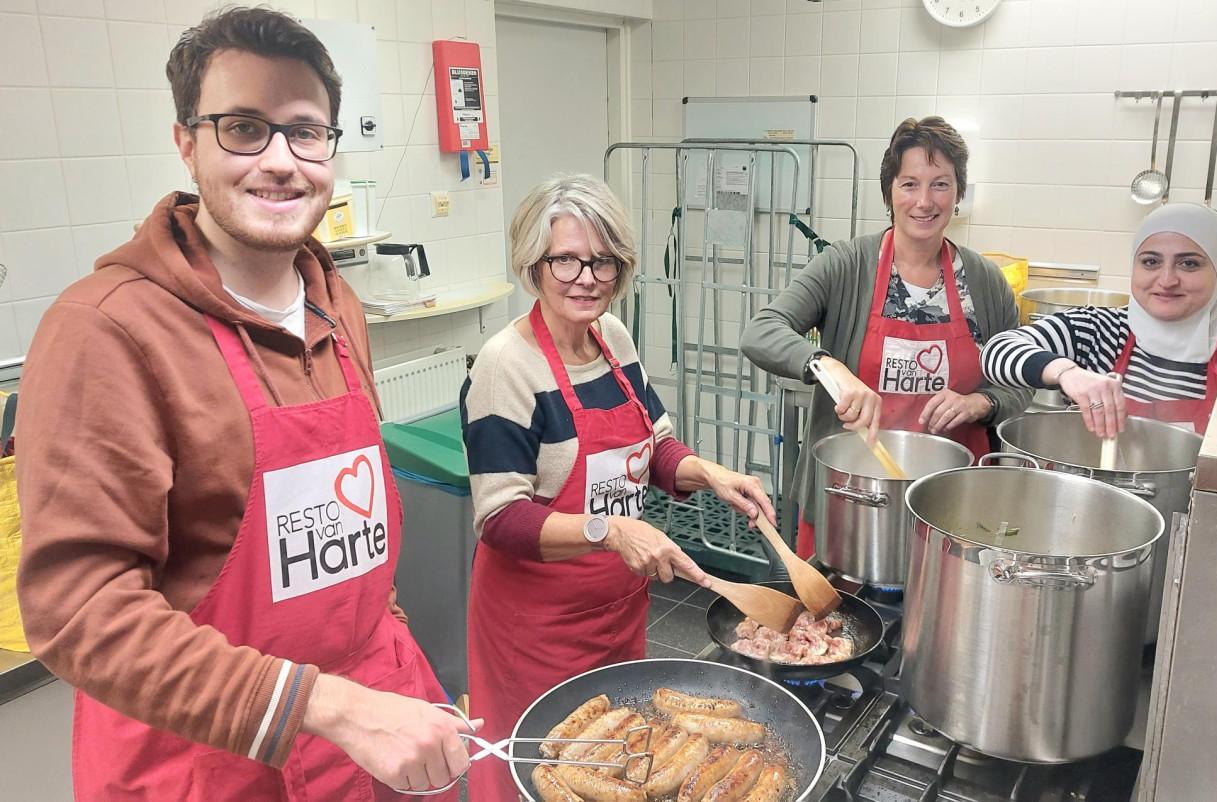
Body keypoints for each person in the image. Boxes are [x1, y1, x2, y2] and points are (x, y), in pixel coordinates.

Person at [15, 8, 473, 800]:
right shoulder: (108, 330)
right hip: (213, 760)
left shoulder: (337, 304)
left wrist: (390, 665)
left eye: (305, 131)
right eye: (243, 129)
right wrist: (320, 704)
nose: (281, 161)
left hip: (366, 723)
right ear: (186, 142)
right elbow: (77, 612)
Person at [462, 174, 776, 802]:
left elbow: (654, 447)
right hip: (536, 632)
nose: (586, 276)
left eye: (602, 260)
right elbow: (501, 519)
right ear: (534, 265)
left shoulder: (614, 340)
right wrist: (612, 531)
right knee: (541, 777)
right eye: (567, 260)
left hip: (617, 613)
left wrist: (711, 474)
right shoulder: (505, 367)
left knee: (626, 768)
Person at [740, 116, 1030, 560]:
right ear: (889, 191)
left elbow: (1018, 380)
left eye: (941, 185)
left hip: (951, 502)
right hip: (853, 495)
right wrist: (827, 365)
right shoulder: (847, 265)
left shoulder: (985, 281)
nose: (924, 201)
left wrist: (980, 403)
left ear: (959, 194)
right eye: (910, 183)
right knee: (837, 623)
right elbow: (761, 331)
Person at [981, 202, 1217, 436]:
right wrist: (1067, 373)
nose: (1167, 280)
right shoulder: (1099, 331)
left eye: (1189, 264)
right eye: (1151, 262)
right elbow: (997, 351)